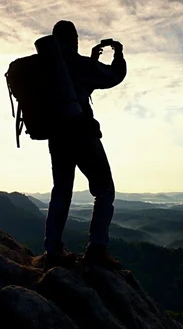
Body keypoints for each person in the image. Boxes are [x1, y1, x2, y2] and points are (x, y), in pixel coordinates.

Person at [43, 20, 127, 270]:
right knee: (104, 190)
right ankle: (97, 250)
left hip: (56, 137)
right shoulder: (81, 65)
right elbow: (113, 76)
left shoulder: (46, 68)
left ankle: (53, 251)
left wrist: (91, 59)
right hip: (82, 134)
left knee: (61, 191)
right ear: (74, 39)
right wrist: (119, 54)